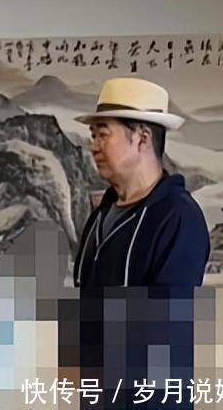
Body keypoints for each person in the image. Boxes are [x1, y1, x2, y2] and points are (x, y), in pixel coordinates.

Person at [72, 77, 211, 408]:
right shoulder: (103, 213)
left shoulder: (177, 216)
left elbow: (164, 329)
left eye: (103, 133)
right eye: (93, 135)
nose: (93, 146)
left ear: (142, 138)